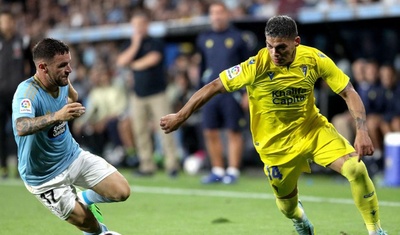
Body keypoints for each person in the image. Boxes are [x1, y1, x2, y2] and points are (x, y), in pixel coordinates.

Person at [160, 15, 387, 235]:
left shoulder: (314, 58)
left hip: (312, 131)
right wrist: (180, 116)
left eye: (281, 47)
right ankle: (300, 218)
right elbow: (213, 86)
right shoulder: (255, 65)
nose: (274, 53)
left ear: (296, 42)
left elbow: (348, 92)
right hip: (274, 145)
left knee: (356, 169)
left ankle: (375, 230)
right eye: (269, 46)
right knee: (288, 207)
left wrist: (362, 131)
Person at [12, 38, 130, 235]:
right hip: (44, 177)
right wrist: (58, 115)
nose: (69, 69)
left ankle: (85, 198)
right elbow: (21, 127)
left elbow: (73, 96)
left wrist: (73, 107)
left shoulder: (62, 79)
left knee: (122, 191)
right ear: (43, 67)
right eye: (62, 65)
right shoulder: (26, 94)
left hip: (73, 156)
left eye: (69, 63)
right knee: (89, 225)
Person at [116, 12, 179, 177]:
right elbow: (121, 61)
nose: (138, 28)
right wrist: (135, 44)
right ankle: (147, 165)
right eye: (135, 25)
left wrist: (134, 64)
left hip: (158, 93)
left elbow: (154, 59)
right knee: (140, 130)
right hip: (137, 95)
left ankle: (172, 164)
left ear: (147, 25)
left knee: (165, 128)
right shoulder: (129, 44)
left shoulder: (155, 42)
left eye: (141, 24)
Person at [196, 2, 249, 184]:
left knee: (233, 131)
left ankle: (233, 170)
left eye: (220, 12)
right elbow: (202, 67)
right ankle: (217, 170)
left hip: (232, 92)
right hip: (210, 93)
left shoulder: (238, 38)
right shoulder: (204, 39)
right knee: (210, 131)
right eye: (213, 13)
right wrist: (198, 94)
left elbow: (248, 68)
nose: (217, 16)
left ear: (227, 14)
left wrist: (247, 93)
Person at [0, 10, 30, 179]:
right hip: (0, 94)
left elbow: (30, 65)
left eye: (8, 21)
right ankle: (3, 166)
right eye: (2, 21)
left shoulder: (22, 41)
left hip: (18, 95)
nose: (5, 24)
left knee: (21, 131)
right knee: (1, 132)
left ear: (12, 22)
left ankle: (21, 166)